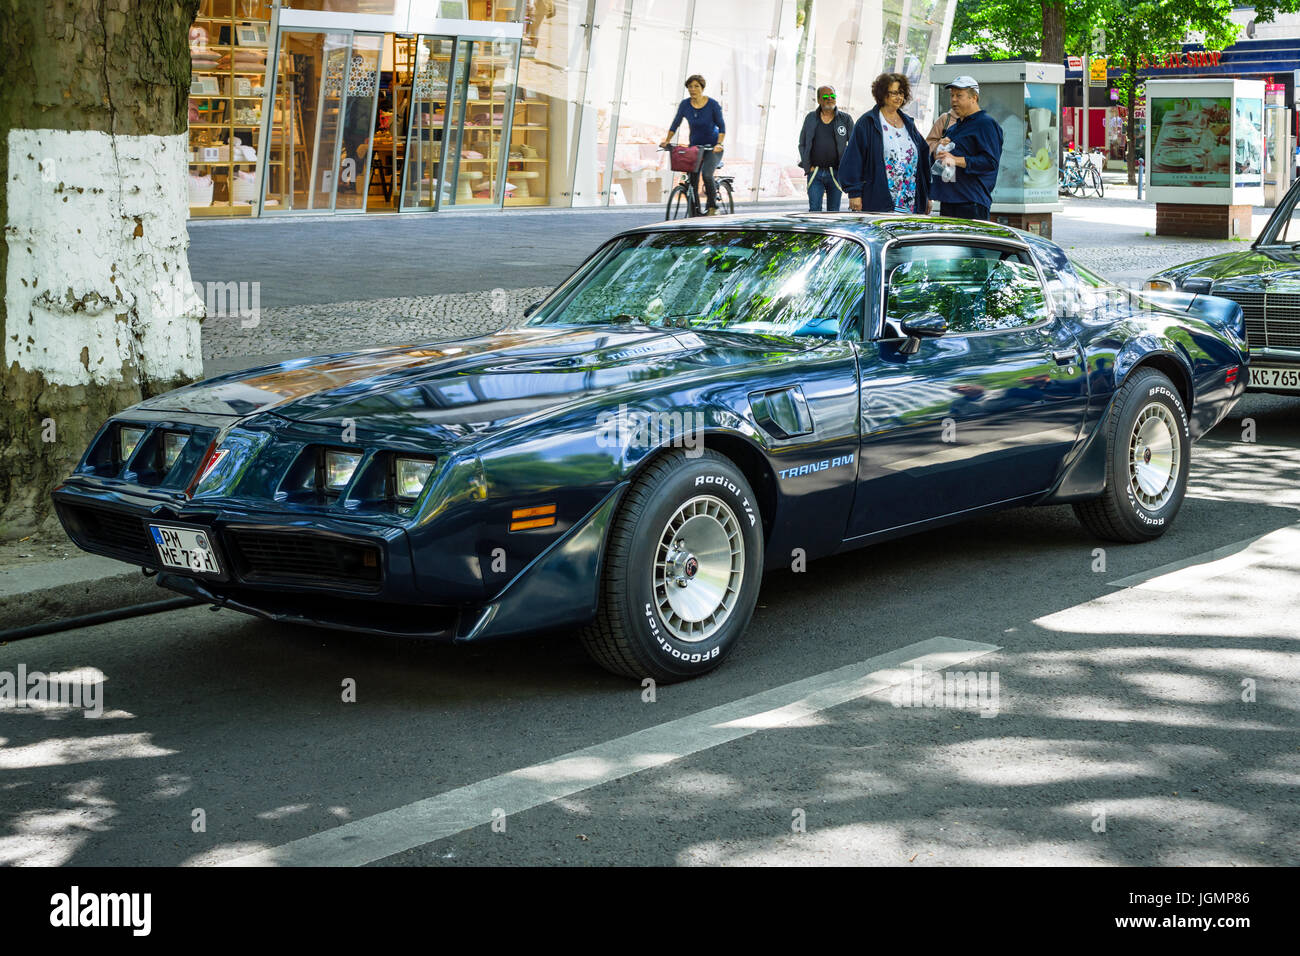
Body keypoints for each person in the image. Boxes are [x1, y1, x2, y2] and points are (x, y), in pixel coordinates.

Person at [839, 72, 931, 214]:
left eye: (901, 93)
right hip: (878, 200)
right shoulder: (867, 122)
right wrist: (854, 193)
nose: (899, 97)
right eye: (894, 93)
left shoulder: (909, 123)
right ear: (882, 94)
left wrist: (927, 195)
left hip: (909, 199)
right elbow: (853, 159)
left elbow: (924, 158)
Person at [929, 76, 1004, 221]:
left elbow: (990, 162)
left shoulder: (986, 124)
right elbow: (945, 163)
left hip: (971, 202)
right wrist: (939, 150)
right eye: (952, 96)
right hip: (949, 201)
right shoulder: (955, 127)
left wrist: (956, 159)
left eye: (959, 95)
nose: (954, 100)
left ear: (974, 98)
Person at [660, 74, 726, 215]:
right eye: (690, 86)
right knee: (692, 181)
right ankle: (694, 212)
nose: (693, 89)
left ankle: (713, 207)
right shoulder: (685, 104)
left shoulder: (712, 104)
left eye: (696, 86)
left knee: (707, 175)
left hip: (713, 148)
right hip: (695, 148)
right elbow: (676, 123)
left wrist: (719, 143)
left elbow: (722, 127)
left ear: (702, 88)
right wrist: (667, 140)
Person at [798, 86, 854, 211]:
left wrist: (846, 168)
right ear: (818, 100)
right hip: (815, 173)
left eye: (832, 96)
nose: (830, 99)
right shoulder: (810, 118)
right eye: (825, 97)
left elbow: (854, 146)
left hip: (836, 173)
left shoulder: (845, 119)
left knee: (834, 212)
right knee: (814, 211)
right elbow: (802, 144)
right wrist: (808, 167)